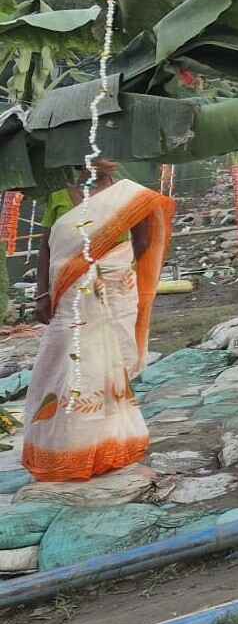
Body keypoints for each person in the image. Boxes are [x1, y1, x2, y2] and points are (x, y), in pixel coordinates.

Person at [21, 161, 174, 482]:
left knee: (107, 366)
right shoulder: (60, 196)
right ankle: (66, 447)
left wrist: (108, 263)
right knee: (64, 364)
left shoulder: (129, 196)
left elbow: (142, 242)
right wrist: (42, 294)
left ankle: (107, 446)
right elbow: (47, 246)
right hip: (69, 294)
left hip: (113, 294)